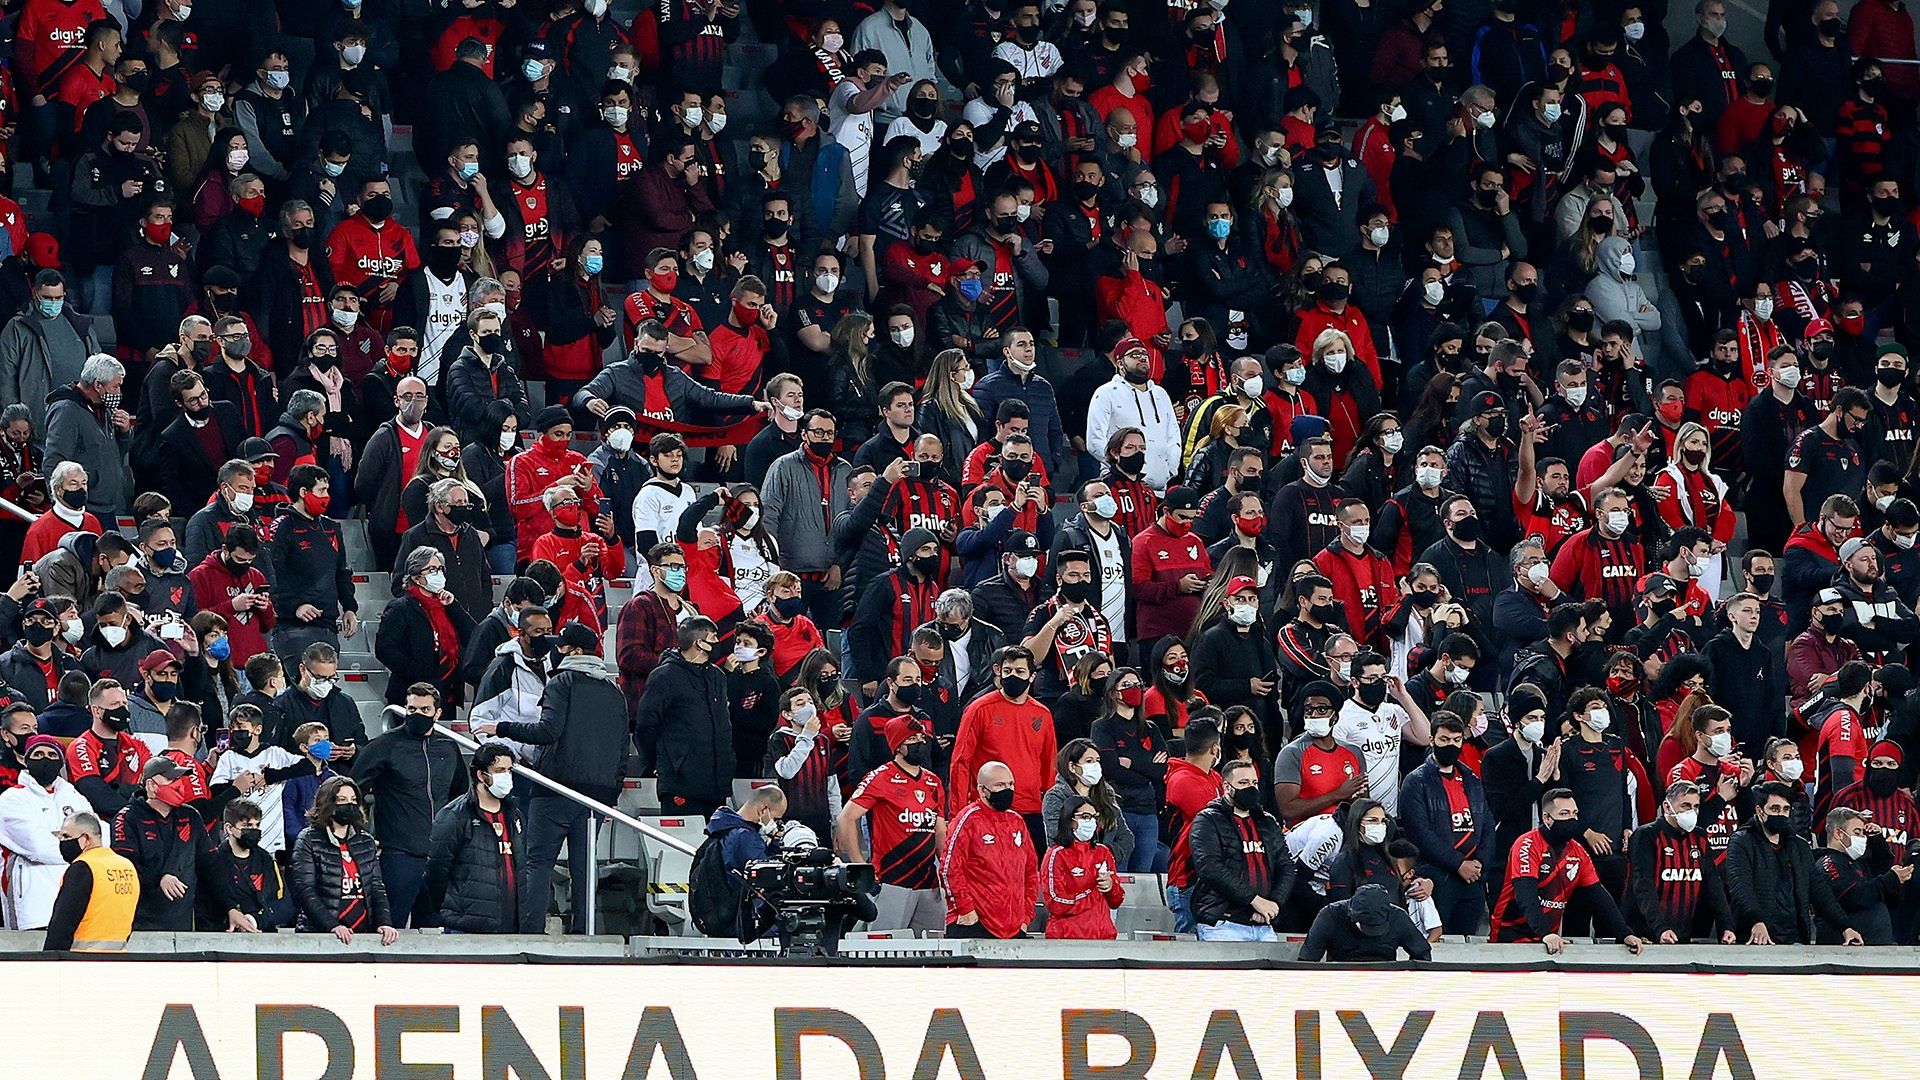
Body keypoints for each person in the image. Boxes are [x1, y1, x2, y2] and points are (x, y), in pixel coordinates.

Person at [470, 621, 625, 934]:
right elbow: (623, 747)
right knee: (584, 868)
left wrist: (501, 728)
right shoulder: (614, 690)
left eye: (563, 646)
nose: (557, 650)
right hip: (597, 797)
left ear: (575, 651)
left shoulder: (562, 682)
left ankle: (532, 932)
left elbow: (547, 731)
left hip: (556, 788)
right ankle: (585, 933)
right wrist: (612, 793)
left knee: (537, 862)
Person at [351, 684, 467, 927]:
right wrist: (360, 835)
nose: (417, 714)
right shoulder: (383, 745)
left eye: (425, 709)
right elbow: (353, 791)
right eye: (411, 708)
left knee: (433, 928)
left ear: (437, 713)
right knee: (389, 924)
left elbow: (460, 796)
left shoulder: (448, 747)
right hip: (398, 852)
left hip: (440, 855)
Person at [1490, 788, 1646, 954]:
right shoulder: (1527, 844)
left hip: (1548, 941)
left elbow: (1599, 896)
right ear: (1546, 818)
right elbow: (1525, 895)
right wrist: (1545, 932)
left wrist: (1625, 932)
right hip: (1509, 935)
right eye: (1564, 814)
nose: (1572, 819)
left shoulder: (1577, 851)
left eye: (1575, 813)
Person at [837, 715, 946, 933]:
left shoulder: (933, 781)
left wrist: (945, 870)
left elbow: (939, 829)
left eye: (922, 738)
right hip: (892, 880)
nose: (920, 743)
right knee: (884, 950)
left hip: (928, 882)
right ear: (898, 746)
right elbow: (846, 817)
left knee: (935, 949)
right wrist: (861, 867)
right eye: (912, 739)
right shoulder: (880, 777)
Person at [112, 758, 247, 932]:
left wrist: (231, 907)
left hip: (181, 923)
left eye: (179, 779)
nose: (179, 784)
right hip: (137, 924)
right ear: (151, 785)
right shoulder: (127, 818)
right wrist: (158, 878)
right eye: (171, 779)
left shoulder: (191, 816)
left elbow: (211, 865)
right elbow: (124, 867)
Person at [951, 646, 1056, 846]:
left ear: (1032, 677)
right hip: (989, 808)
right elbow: (960, 762)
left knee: (1031, 874)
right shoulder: (978, 709)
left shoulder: (1043, 714)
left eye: (1020, 671)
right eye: (1007, 671)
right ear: (998, 671)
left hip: (1031, 811)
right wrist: (958, 814)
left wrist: (1048, 810)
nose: (1012, 676)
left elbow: (1049, 765)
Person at [423, 742, 527, 935]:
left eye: (509, 770)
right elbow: (436, 872)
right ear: (481, 775)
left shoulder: (515, 816)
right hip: (466, 927)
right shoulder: (455, 816)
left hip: (510, 926)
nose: (506, 777)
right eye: (499, 770)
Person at [1188, 759, 1292, 941]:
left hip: (1264, 925)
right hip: (1223, 924)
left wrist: (1272, 905)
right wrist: (1255, 901)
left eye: (1254, 783)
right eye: (1243, 783)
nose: (1250, 788)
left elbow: (1286, 866)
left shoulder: (1268, 821)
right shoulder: (1207, 820)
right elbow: (1210, 869)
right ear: (1227, 787)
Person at [289, 775, 399, 945]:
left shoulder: (365, 841)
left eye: (354, 800)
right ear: (328, 804)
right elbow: (305, 890)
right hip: (321, 936)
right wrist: (332, 925)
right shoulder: (308, 839)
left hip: (363, 933)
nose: (350, 805)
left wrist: (384, 923)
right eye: (342, 799)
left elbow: (376, 887)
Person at [0, 734, 92, 930]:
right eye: (38, 754)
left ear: (60, 761)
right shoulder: (11, 799)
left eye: (52, 755)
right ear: (26, 760)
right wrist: (79, 842)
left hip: (76, 898)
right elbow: (38, 846)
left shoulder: (75, 796)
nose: (45, 759)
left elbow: (98, 835)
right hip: (32, 905)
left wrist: (56, 836)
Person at [940, 761, 1040, 938]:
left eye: (1010, 784)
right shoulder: (968, 819)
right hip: (974, 923)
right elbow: (949, 868)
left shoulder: (1017, 822)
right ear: (982, 790)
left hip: (1014, 928)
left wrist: (1026, 917)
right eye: (999, 785)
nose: (1007, 790)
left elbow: (1031, 872)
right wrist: (965, 909)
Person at [1725, 782, 1817, 945]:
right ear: (1760, 811)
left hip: (1794, 937)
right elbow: (1741, 886)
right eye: (1775, 809)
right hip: (1754, 937)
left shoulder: (1799, 845)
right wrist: (1756, 921)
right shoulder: (1741, 841)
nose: (1781, 814)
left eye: (1785, 809)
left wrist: (1845, 926)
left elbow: (1819, 889)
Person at [694, 784, 787, 940]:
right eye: (776, 819)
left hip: (721, 916)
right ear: (763, 810)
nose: (777, 825)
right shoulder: (745, 838)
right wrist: (778, 841)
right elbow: (769, 878)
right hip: (739, 923)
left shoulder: (723, 830)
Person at [42, 812, 138, 952]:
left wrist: (49, 960)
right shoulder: (127, 866)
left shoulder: (83, 867)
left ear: (86, 838)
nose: (62, 842)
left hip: (81, 960)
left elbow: (63, 923)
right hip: (119, 957)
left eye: (67, 836)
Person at [1040, 794, 1125, 939]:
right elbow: (1055, 902)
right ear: (1070, 820)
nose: (1091, 822)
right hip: (1067, 938)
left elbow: (1116, 901)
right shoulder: (1056, 855)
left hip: (1103, 937)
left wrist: (1111, 886)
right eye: (1085, 816)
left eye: (1094, 817)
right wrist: (1092, 895)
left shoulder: (1103, 852)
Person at [1299, 882, 1434, 961]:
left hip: (1386, 980)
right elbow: (1307, 960)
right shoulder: (1330, 916)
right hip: (1340, 979)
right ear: (1351, 915)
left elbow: (1422, 954)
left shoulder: (1398, 917)